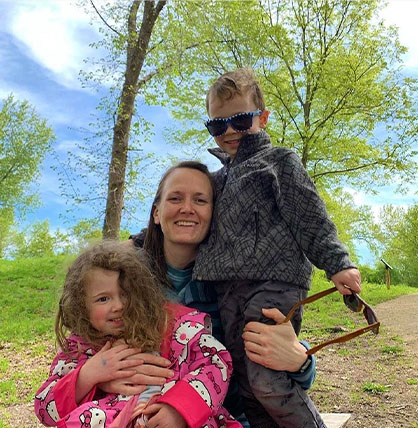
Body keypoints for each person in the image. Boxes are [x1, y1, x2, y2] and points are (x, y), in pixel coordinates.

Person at [190, 68, 362, 428]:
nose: (230, 131)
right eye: (218, 126)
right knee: (245, 383)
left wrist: (337, 262)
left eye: (239, 119)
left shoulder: (279, 162)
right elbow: (187, 217)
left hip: (274, 283)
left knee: (267, 377)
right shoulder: (216, 180)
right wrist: (144, 238)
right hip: (228, 289)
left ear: (262, 117)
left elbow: (309, 214)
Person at [123, 161, 317, 427]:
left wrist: (300, 361)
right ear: (156, 212)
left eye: (200, 200)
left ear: (216, 214)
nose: (187, 208)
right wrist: (98, 374)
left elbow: (290, 370)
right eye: (175, 198)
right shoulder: (122, 277)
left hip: (223, 418)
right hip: (130, 413)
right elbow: (80, 347)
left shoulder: (241, 280)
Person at [34, 241, 241, 428]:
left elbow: (216, 363)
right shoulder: (79, 346)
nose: (118, 306)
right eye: (103, 299)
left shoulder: (174, 326)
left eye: (126, 294)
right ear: (81, 306)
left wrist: (178, 410)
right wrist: (88, 375)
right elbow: (45, 407)